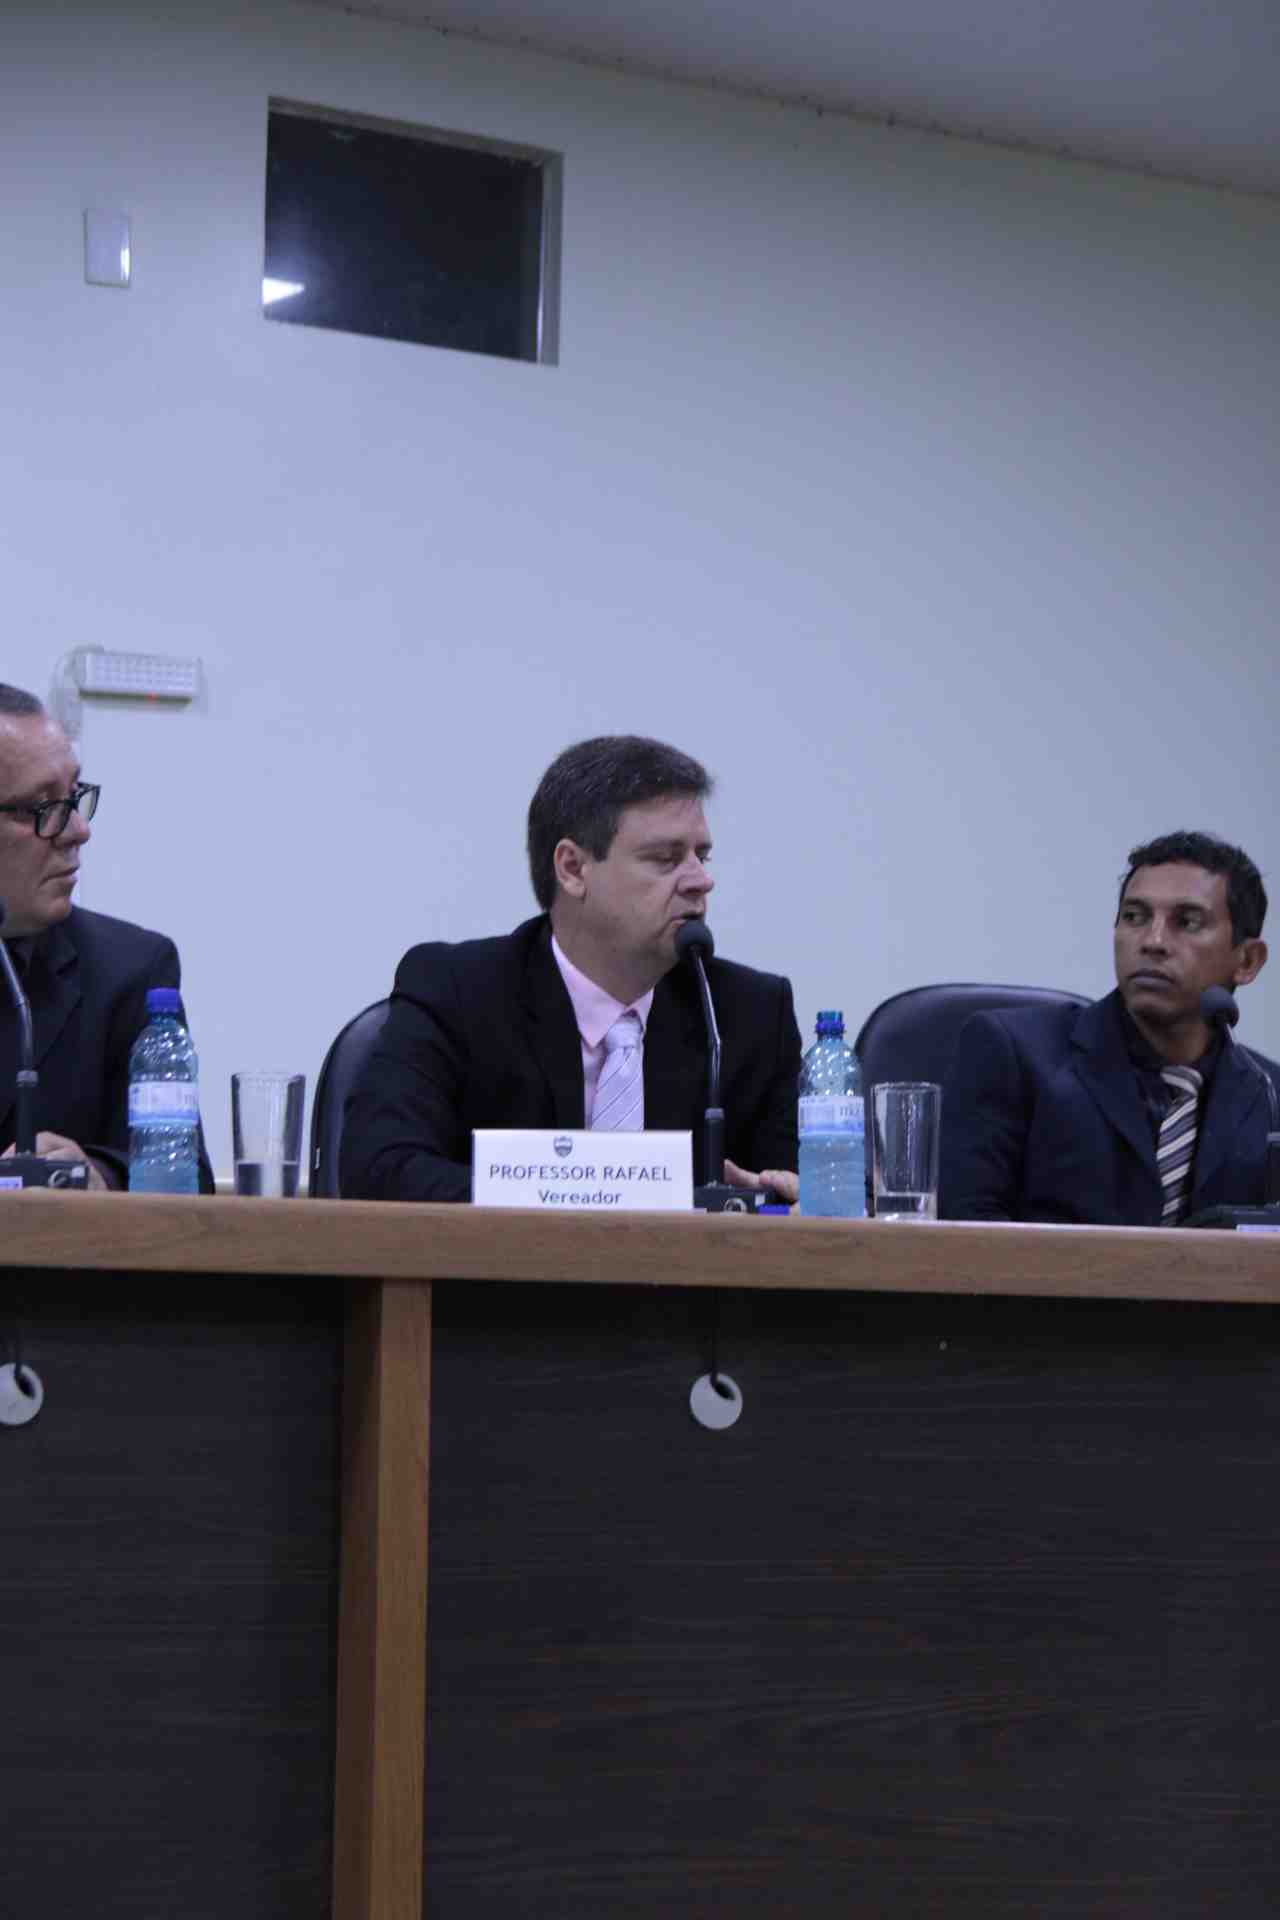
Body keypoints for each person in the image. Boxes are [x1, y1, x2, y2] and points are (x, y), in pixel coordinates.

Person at [341, 735, 801, 1203]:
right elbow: (378, 1169)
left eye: (701, 857)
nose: (702, 880)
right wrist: (580, 1198)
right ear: (573, 869)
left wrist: (785, 1200)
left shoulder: (752, 1018)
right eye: (666, 859)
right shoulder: (457, 993)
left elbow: (797, 1197)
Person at [940, 831, 1277, 1225]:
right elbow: (967, 1237)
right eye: (1135, 917)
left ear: (1247, 961)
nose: (1153, 941)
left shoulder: (1267, 1094)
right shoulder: (1014, 1054)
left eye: (1186, 922)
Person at [0, 682, 212, 1192]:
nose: (78, 830)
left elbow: (186, 1177)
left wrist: (96, 1177)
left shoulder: (129, 971)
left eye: (73, 797)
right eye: (40, 807)